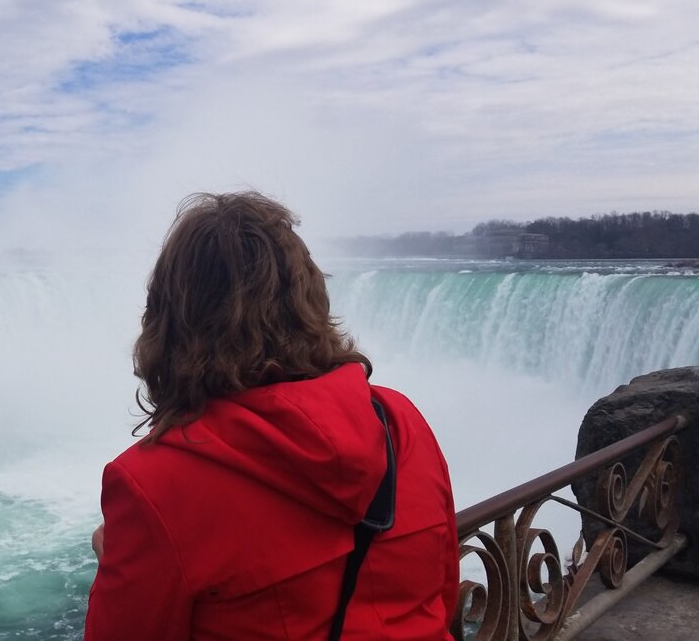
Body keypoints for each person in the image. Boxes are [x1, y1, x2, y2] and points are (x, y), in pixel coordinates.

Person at [84, 191, 458, 640]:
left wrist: (121, 561)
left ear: (170, 321)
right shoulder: (400, 423)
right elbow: (442, 591)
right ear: (309, 298)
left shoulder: (152, 487)